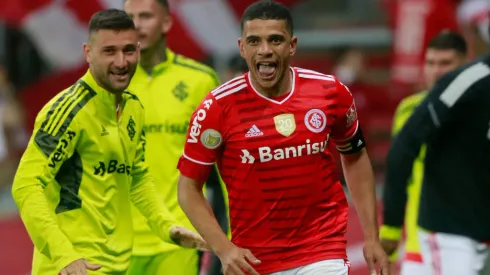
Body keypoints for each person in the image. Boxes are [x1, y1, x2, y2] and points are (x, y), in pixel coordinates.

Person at [177, 1, 389, 275]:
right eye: (255, 41)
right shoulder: (216, 108)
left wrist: (371, 237)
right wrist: (224, 249)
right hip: (254, 260)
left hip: (322, 250)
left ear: (292, 45)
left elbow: (356, 157)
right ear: (242, 48)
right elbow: (188, 188)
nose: (265, 50)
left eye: (275, 40)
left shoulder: (330, 92)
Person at [11, 9, 207, 275]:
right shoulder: (68, 111)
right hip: (71, 267)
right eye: (109, 51)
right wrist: (64, 255)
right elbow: (26, 185)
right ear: (88, 52)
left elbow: (136, 178)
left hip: (116, 265)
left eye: (128, 50)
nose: (121, 61)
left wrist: (166, 226)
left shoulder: (133, 109)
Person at [122, 0, 224, 274]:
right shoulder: (107, 83)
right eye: (129, 17)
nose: (136, 25)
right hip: (116, 240)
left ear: (167, 22)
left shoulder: (199, 81)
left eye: (145, 16)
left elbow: (225, 165)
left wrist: (231, 232)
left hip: (180, 237)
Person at [383, 25, 490, 275]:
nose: (436, 71)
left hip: (473, 224)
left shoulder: (474, 97)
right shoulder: (410, 110)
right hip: (433, 232)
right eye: (430, 63)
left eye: (445, 62)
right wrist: (390, 227)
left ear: (465, 61)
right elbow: (399, 161)